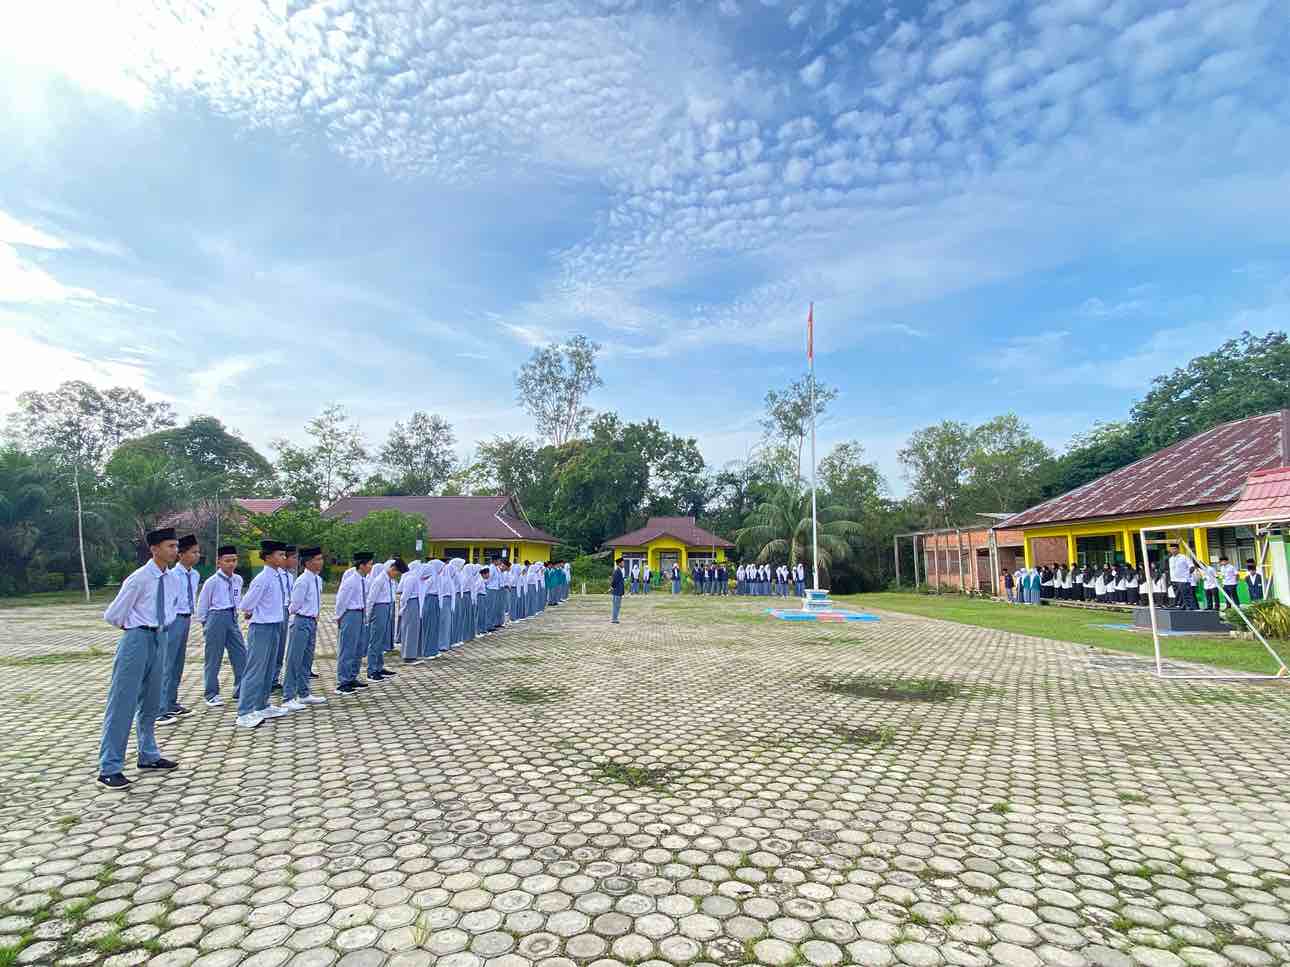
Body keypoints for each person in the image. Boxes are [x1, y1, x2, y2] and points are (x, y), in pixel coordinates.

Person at [97, 527, 182, 788]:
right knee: (123, 702)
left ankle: (148, 754)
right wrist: (134, 628)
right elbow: (113, 615)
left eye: (176, 546)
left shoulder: (172, 579)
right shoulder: (139, 578)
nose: (175, 551)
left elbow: (171, 608)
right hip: (137, 639)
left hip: (160, 637)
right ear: (154, 549)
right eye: (170, 546)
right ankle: (109, 767)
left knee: (151, 702)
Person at [238, 540, 291, 728]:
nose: (283, 558)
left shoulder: (277, 576)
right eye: (280, 555)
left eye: (284, 555)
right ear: (268, 557)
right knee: (255, 670)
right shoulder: (262, 578)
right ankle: (244, 712)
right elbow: (246, 604)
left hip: (275, 625)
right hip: (261, 628)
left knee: (268, 669)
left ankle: (261, 705)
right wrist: (252, 611)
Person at [196, 545, 247, 708]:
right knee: (214, 657)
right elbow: (203, 604)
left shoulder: (238, 579)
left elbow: (238, 598)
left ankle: (241, 688)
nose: (231, 564)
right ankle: (211, 694)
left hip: (232, 616)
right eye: (227, 561)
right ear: (219, 562)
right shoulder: (212, 582)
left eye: (234, 560)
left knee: (240, 653)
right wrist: (205, 623)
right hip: (216, 617)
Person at [159, 533, 202, 724]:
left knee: (177, 664)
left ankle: (171, 702)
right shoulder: (172, 575)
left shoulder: (195, 574)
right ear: (181, 554)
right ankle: (159, 708)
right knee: (167, 664)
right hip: (173, 620)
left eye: (198, 552)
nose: (197, 555)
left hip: (186, 619)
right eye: (193, 552)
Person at [282, 547, 327, 710]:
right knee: (294, 659)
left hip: (312, 621)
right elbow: (294, 605)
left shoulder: (317, 580)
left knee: (307, 659)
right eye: (318, 559)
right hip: (301, 621)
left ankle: (304, 693)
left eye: (321, 559)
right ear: (308, 562)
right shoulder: (302, 581)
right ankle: (288, 696)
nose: (321, 562)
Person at [335, 552, 374, 695]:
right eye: (369, 564)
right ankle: (343, 681)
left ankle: (352, 676)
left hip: (360, 614)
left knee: (358, 647)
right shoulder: (351, 581)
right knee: (348, 648)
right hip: (350, 614)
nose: (371, 567)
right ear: (362, 565)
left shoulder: (364, 580)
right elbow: (341, 600)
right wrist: (339, 617)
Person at [366, 559, 404, 679]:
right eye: (396, 573)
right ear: (392, 569)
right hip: (379, 609)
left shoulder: (390, 581)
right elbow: (371, 599)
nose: (396, 575)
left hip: (388, 608)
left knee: (381, 641)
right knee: (375, 641)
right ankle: (371, 670)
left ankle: (379, 667)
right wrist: (367, 616)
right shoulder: (379, 580)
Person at [270, 546, 297, 692]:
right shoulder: (275, 575)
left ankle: (274, 678)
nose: (295, 561)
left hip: (286, 610)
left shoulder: (290, 577)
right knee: (273, 646)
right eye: (293, 558)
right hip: (275, 610)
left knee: (281, 647)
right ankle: (268, 679)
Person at [398, 558, 424, 663]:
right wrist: (402, 606)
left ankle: (411, 654)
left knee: (413, 629)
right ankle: (408, 656)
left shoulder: (414, 577)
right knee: (410, 629)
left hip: (414, 603)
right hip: (411, 603)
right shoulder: (411, 578)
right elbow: (405, 595)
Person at [1167, 544, 1192, 610]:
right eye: (1171, 549)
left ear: (1178, 549)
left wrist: (1187, 575)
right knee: (1178, 596)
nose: (1173, 550)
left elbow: (1192, 567)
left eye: (1174, 549)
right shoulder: (1170, 559)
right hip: (1174, 580)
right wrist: (1170, 579)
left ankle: (1189, 608)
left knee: (1186, 595)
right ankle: (1181, 608)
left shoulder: (1184, 557)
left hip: (1183, 580)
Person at [610, 558, 625, 623]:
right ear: (619, 563)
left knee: (617, 606)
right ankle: (614, 619)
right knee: (616, 606)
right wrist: (612, 587)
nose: (623, 564)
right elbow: (614, 581)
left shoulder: (619, 571)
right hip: (617, 591)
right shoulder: (617, 571)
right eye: (622, 563)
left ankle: (615, 618)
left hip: (618, 591)